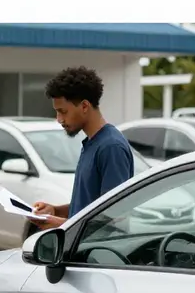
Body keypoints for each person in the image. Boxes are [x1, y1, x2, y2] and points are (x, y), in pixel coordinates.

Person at [31, 66, 134, 228]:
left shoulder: (111, 147)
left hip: (98, 245)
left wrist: (60, 225)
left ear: (84, 106)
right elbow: (89, 209)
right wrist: (55, 211)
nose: (59, 119)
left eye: (63, 111)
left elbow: (113, 220)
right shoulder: (92, 143)